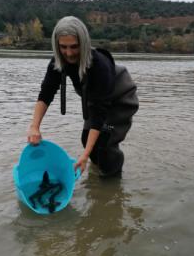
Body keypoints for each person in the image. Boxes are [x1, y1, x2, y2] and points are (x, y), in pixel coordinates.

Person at [27, 16, 139, 177]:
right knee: (87, 140)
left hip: (120, 98)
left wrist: (84, 155)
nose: (69, 53)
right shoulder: (58, 61)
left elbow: (99, 114)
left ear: (84, 43)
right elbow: (46, 93)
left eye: (74, 46)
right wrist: (34, 127)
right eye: (63, 47)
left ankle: (112, 180)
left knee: (105, 142)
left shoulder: (99, 65)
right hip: (95, 97)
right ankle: (97, 174)